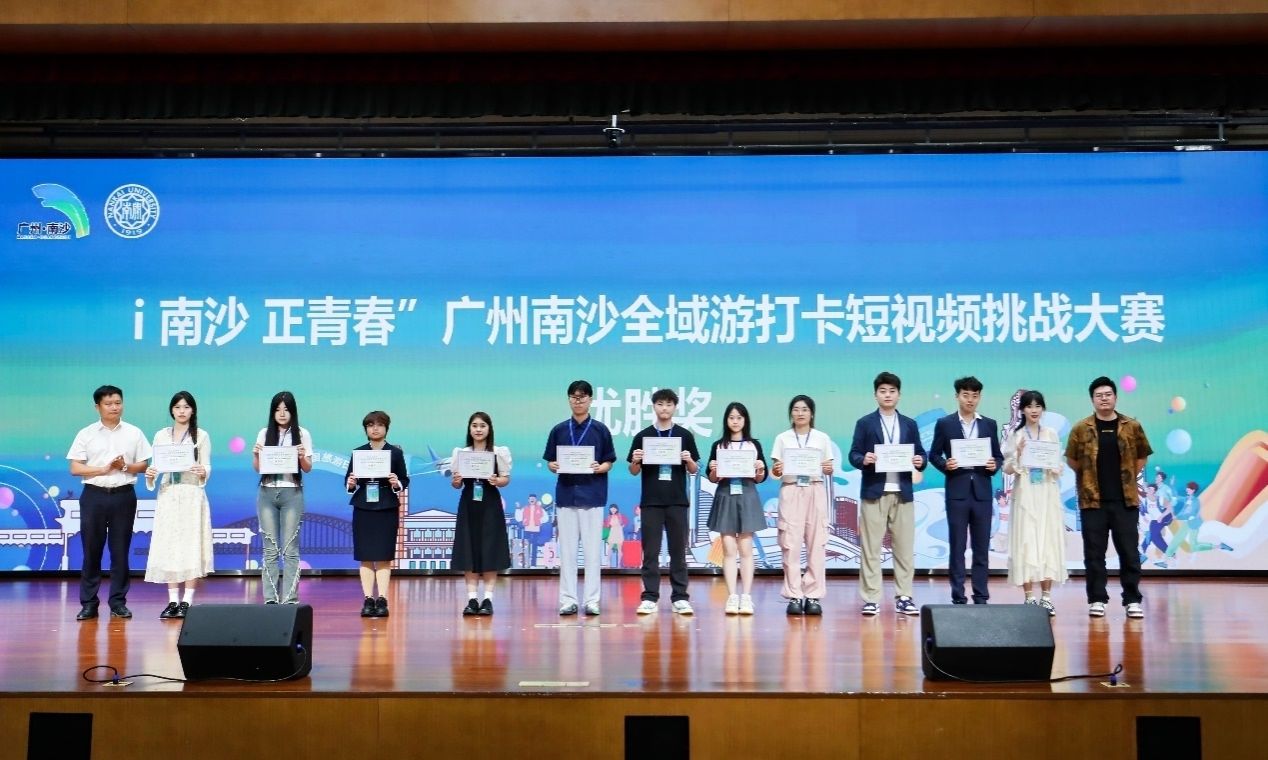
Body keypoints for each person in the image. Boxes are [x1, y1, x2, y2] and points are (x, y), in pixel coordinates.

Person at [1064, 376, 1153, 619]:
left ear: (1115, 397)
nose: (1104, 399)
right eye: (1099, 395)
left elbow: (1142, 456)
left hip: (1125, 500)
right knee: (1094, 554)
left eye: (1108, 394)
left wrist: (1127, 477)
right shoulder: (1081, 428)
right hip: (1093, 501)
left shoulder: (1132, 426)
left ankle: (1132, 599)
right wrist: (1089, 479)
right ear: (1092, 399)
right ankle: (1097, 599)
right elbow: (1072, 460)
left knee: (1129, 552)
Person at [66, 385, 153, 620]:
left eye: (118, 402)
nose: (114, 407)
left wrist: (124, 467)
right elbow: (75, 467)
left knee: (120, 551)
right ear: (97, 407)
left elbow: (144, 465)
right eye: (108, 403)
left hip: (123, 496)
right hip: (93, 496)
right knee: (91, 551)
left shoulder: (134, 432)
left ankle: (118, 602)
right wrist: (103, 469)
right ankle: (89, 604)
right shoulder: (86, 433)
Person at [848, 372, 928, 617]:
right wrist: (864, 459)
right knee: (871, 549)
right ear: (876, 395)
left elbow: (921, 454)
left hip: (902, 492)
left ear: (899, 395)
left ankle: (904, 596)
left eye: (892, 391)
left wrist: (920, 460)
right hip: (874, 492)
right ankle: (871, 598)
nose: (887, 395)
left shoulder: (909, 424)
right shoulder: (865, 423)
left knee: (904, 548)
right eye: (883, 391)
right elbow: (854, 454)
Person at [543, 380, 616, 616]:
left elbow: (609, 461)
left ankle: (592, 600)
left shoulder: (600, 430)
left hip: (593, 496)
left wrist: (600, 467)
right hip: (566, 496)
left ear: (590, 400)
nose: (578, 401)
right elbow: (551, 462)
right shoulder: (559, 430)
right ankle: (568, 600)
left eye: (582, 397)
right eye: (574, 397)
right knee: (567, 552)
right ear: (568, 400)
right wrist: (553, 466)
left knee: (593, 552)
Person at [929, 376, 1003, 605]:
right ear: (957, 396)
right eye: (965, 395)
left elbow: (998, 456)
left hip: (982, 492)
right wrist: (946, 465)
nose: (970, 400)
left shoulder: (989, 424)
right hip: (957, 491)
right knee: (958, 546)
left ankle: (981, 596)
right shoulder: (945, 423)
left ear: (979, 397)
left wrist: (994, 465)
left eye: (975, 395)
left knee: (981, 547)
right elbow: (933, 454)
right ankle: (958, 596)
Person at [629, 388, 701, 615]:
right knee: (650, 552)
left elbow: (694, 470)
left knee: (678, 551)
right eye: (660, 404)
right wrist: (636, 460)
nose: (664, 408)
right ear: (654, 406)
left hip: (677, 501)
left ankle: (680, 597)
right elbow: (633, 471)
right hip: (651, 501)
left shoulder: (684, 435)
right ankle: (650, 597)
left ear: (675, 407)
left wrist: (689, 460)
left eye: (669, 404)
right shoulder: (643, 436)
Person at [144, 391, 214, 619]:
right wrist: (151, 475)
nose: (181, 411)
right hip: (168, 493)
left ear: (193, 410)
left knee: (190, 544)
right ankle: (172, 600)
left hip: (191, 493)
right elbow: (156, 466)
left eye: (186, 407)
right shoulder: (161, 435)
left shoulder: (201, 435)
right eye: (177, 407)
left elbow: (207, 466)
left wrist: (203, 471)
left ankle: (187, 600)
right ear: (171, 410)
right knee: (170, 545)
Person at [1001, 390, 1067, 615]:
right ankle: (1029, 597)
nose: (1034, 410)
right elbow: (1007, 468)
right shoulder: (1016, 435)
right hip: (1025, 494)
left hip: (1047, 493)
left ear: (1043, 409)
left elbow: (1058, 465)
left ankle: (1046, 597)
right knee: (1026, 541)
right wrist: (1019, 454)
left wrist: (1055, 465)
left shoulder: (1050, 434)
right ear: (1022, 410)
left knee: (1048, 541)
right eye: (1029, 406)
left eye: (1038, 406)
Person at [771, 394, 835, 616]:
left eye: (805, 409)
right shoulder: (782, 438)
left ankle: (813, 595)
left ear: (812, 414)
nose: (800, 413)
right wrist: (777, 469)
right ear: (791, 413)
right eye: (796, 409)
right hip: (791, 490)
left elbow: (829, 468)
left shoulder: (822, 438)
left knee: (817, 543)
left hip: (815, 490)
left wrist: (828, 469)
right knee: (790, 543)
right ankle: (794, 595)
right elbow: (775, 471)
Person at [706, 401, 769, 615]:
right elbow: (712, 478)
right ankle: (732, 596)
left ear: (745, 420)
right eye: (731, 417)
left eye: (739, 418)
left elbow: (760, 478)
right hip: (725, 495)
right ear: (726, 420)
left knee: (746, 548)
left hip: (747, 494)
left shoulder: (753, 445)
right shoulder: (718, 445)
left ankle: (747, 597)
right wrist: (714, 469)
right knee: (728, 549)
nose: (735, 421)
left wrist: (760, 469)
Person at [344, 410, 409, 618]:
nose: (375, 428)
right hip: (363, 507)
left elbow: (404, 480)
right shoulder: (358, 452)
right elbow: (348, 481)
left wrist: (396, 483)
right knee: (365, 556)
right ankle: (367, 599)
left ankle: (382, 599)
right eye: (371, 425)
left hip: (387, 506)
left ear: (386, 428)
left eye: (379, 425)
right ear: (366, 429)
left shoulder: (395, 453)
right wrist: (351, 483)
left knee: (383, 555)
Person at [252, 391, 313, 605]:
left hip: (292, 492)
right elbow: (258, 468)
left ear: (293, 411)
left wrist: (301, 457)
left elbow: (308, 468)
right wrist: (256, 455)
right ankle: (270, 599)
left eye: (286, 409)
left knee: (290, 549)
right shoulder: (264, 433)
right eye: (278, 409)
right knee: (269, 549)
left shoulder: (302, 434)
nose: (282, 413)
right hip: (266, 492)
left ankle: (289, 599)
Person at [451, 411, 513, 615]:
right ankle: (471, 599)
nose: (478, 429)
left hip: (490, 503)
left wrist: (497, 481)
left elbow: (505, 479)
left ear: (489, 429)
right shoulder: (462, 453)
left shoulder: (498, 452)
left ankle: (487, 599)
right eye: (475, 426)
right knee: (468, 548)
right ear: (469, 429)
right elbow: (456, 484)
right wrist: (456, 481)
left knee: (489, 549)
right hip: (469, 503)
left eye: (482, 426)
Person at [1164, 481, 1214, 562]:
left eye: (1188, 489)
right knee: (1177, 538)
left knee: (1193, 546)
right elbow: (1176, 496)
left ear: (1193, 490)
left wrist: (1177, 517)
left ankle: (1216, 546)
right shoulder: (1187, 498)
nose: (1186, 490)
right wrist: (1172, 485)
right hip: (1187, 523)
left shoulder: (1196, 501)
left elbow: (1191, 514)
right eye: (1187, 488)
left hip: (1194, 524)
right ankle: (1168, 556)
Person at [516, 493, 549, 568]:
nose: (532, 500)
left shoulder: (540, 509)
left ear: (536, 500)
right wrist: (517, 508)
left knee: (534, 547)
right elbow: (518, 518)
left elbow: (546, 518)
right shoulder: (524, 508)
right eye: (531, 498)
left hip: (536, 530)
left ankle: (533, 564)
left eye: (533, 499)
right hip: (527, 530)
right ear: (528, 500)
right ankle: (525, 563)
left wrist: (540, 521)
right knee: (525, 547)